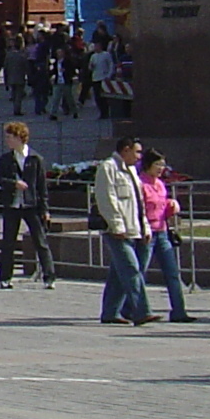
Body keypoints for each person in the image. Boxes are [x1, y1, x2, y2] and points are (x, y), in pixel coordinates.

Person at [91, 133, 154, 326]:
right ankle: (141, 311)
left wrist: (145, 226)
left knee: (119, 273)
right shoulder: (108, 168)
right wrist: (116, 225)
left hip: (134, 228)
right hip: (116, 230)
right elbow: (106, 199)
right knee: (131, 269)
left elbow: (138, 202)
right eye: (137, 152)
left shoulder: (132, 171)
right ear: (125, 150)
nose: (139, 156)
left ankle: (110, 312)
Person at [0, 120, 54, 289]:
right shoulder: (6, 159)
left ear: (20, 137)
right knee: (8, 242)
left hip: (31, 205)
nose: (7, 140)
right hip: (12, 205)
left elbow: (41, 186)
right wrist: (13, 183)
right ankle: (5, 277)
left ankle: (49, 276)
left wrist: (45, 209)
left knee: (40, 241)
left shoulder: (35, 159)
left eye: (10, 137)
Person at [138, 149, 195, 324]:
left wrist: (172, 206)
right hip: (147, 232)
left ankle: (179, 310)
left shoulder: (160, 184)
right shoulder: (140, 183)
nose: (161, 168)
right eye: (158, 164)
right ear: (148, 165)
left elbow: (163, 208)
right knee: (140, 272)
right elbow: (140, 209)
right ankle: (135, 308)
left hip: (162, 231)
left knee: (172, 272)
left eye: (163, 165)